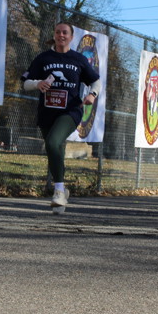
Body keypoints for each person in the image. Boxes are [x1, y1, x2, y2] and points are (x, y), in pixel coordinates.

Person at [21, 22, 101, 210]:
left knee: (52, 142)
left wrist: (92, 94)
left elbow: (96, 81)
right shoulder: (43, 58)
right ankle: (62, 191)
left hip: (70, 111)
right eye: (58, 32)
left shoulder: (78, 59)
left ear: (71, 37)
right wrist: (37, 84)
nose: (61, 35)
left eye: (65, 32)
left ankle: (57, 191)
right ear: (54, 35)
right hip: (47, 112)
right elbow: (25, 83)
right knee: (54, 150)